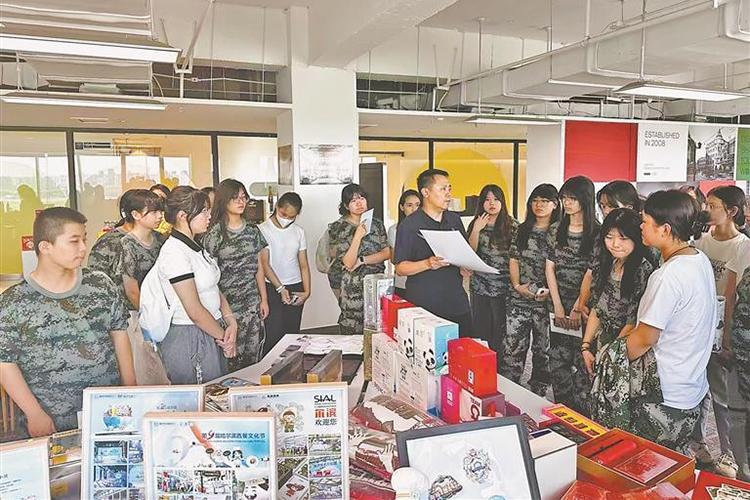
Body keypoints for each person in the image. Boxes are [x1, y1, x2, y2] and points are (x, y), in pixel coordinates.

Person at [0, 207, 135, 439]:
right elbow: (5, 362)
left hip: (107, 414)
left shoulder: (100, 285)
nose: (83, 248)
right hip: (48, 419)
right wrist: (34, 413)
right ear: (45, 247)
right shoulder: (14, 302)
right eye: (74, 241)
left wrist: (131, 391)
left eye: (84, 239)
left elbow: (120, 335)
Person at [623, 190, 715, 454]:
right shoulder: (698, 259)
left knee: (649, 463)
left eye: (645, 221)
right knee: (674, 461)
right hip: (689, 385)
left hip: (663, 394)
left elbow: (645, 338)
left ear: (665, 229)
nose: (641, 227)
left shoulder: (668, 276)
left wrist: (612, 357)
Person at [691, 185, 749, 477]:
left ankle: (729, 453)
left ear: (732, 211)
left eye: (713, 206)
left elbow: (732, 295)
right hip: (698, 326)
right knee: (697, 388)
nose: (707, 211)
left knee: (722, 394)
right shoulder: (701, 241)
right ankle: (698, 444)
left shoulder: (742, 246)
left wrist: (726, 338)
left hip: (723, 329)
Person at [157, 186, 236, 384]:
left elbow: (213, 287)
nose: (209, 216)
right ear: (182, 216)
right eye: (203, 212)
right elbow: (194, 310)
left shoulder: (194, 246)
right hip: (191, 335)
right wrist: (225, 339)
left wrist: (230, 320)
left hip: (212, 329)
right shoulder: (174, 252)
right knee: (203, 395)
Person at [583, 209, 654, 425]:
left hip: (626, 347)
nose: (615, 244)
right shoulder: (609, 262)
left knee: (618, 409)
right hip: (603, 341)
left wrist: (608, 356)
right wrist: (586, 346)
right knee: (596, 400)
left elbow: (632, 322)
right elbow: (597, 308)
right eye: (609, 237)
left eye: (623, 238)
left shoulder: (643, 269)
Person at [545, 175, 600, 414]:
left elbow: (593, 273)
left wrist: (579, 306)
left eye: (572, 198)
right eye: (564, 198)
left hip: (585, 307)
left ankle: (582, 417)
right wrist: (557, 305)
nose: (566, 203)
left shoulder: (597, 232)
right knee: (558, 361)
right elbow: (549, 267)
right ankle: (561, 412)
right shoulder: (556, 229)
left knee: (582, 363)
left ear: (585, 200)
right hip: (558, 303)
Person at [394, 169, 472, 335]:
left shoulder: (454, 220)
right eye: (442, 189)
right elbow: (400, 268)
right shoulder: (409, 225)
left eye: (449, 189)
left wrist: (465, 266)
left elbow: (463, 253)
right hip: (425, 305)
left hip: (456, 301)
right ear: (426, 192)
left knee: (463, 345)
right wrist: (428, 263)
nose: (448, 194)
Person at [203, 179, 269, 371]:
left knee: (253, 357)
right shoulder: (215, 234)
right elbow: (210, 274)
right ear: (224, 201)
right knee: (230, 358)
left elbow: (259, 266)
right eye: (235, 198)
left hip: (251, 302)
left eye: (243, 197)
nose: (241, 202)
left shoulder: (252, 231)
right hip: (227, 305)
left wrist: (264, 299)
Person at [502, 184, 559, 396]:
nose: (539, 205)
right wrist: (517, 286)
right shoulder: (522, 229)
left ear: (555, 204)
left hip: (546, 302)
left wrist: (550, 292)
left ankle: (538, 392)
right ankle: (510, 391)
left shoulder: (559, 232)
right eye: (535, 200)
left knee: (543, 350)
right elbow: (514, 259)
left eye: (545, 201)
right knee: (512, 347)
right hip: (519, 298)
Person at [578, 181, 644, 321]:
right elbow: (591, 272)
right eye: (603, 206)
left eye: (612, 206)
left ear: (630, 206)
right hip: (598, 312)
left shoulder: (645, 238)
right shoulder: (601, 235)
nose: (606, 211)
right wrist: (582, 304)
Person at [328, 184, 390, 334]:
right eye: (353, 200)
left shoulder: (376, 224)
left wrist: (362, 260)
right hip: (353, 292)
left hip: (377, 286)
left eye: (361, 198)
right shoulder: (338, 227)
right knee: (352, 334)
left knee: (379, 332)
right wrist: (358, 236)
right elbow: (348, 262)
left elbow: (387, 253)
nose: (359, 203)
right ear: (346, 206)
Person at [467, 184, 516, 357]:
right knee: (481, 329)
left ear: (502, 202)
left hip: (503, 287)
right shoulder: (476, 223)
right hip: (479, 285)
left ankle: (499, 366)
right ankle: (482, 363)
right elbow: (470, 253)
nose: (492, 203)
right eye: (487, 200)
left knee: (500, 331)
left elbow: (517, 258)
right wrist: (476, 230)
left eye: (496, 199)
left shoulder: (512, 225)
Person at [259, 192, 311, 354]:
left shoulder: (298, 232)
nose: (286, 219)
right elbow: (264, 265)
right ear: (277, 207)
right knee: (273, 335)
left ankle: (291, 366)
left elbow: (303, 265)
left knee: (292, 334)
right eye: (283, 214)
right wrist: (280, 288)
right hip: (272, 287)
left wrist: (306, 292)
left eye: (292, 217)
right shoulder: (262, 230)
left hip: (295, 286)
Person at [725, 239, 750, 481]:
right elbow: (731, 297)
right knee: (738, 417)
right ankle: (744, 474)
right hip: (741, 356)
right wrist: (727, 340)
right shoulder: (745, 248)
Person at [118, 189, 166, 310]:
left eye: (160, 211)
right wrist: (147, 314)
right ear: (136, 215)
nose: (160, 216)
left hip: (162, 307)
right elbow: (132, 292)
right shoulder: (128, 244)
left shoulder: (160, 238)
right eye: (154, 212)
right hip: (138, 311)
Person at [87, 189, 137, 277]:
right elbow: (95, 276)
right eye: (152, 212)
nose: (159, 216)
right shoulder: (108, 241)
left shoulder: (157, 239)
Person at [387, 190, 421, 297]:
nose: (414, 209)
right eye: (409, 205)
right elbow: (394, 259)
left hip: (424, 282)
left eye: (417, 205)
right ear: (402, 207)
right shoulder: (394, 230)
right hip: (402, 283)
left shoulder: (428, 228)